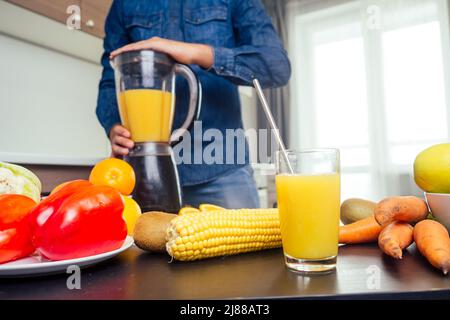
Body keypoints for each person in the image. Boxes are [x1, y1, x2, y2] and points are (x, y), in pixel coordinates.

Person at [96, 0, 291, 209]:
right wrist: (114, 125)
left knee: (249, 243)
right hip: (147, 172)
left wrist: (197, 53)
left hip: (223, 168)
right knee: (142, 242)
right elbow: (111, 80)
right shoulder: (124, 5)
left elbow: (276, 66)